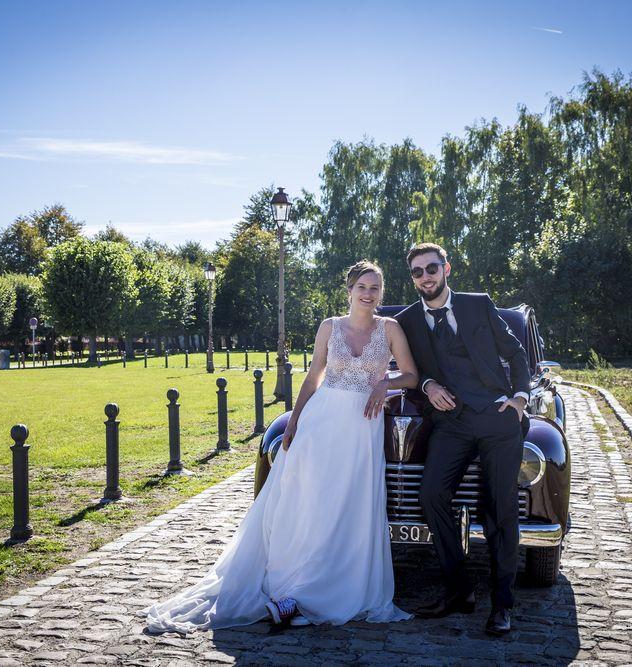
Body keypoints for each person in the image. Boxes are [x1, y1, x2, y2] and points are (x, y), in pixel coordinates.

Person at [139, 260, 419, 632]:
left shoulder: (391, 329)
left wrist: (387, 383)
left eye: (375, 288)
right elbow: (314, 376)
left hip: (361, 429)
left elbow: (412, 375)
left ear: (381, 293)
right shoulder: (329, 327)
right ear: (349, 290)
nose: (368, 294)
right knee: (307, 505)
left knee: (349, 508)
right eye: (362, 287)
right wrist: (295, 421)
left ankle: (327, 591)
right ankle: (290, 588)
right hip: (321, 423)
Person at [394, 243, 531, 636]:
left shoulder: (478, 305)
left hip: (497, 418)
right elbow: (407, 370)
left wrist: (520, 397)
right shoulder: (406, 321)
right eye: (418, 272)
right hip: (451, 423)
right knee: (431, 495)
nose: (426, 277)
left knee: (500, 509)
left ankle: (502, 605)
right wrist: (428, 382)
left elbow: (516, 352)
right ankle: (459, 589)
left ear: (446, 268)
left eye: (431, 268)